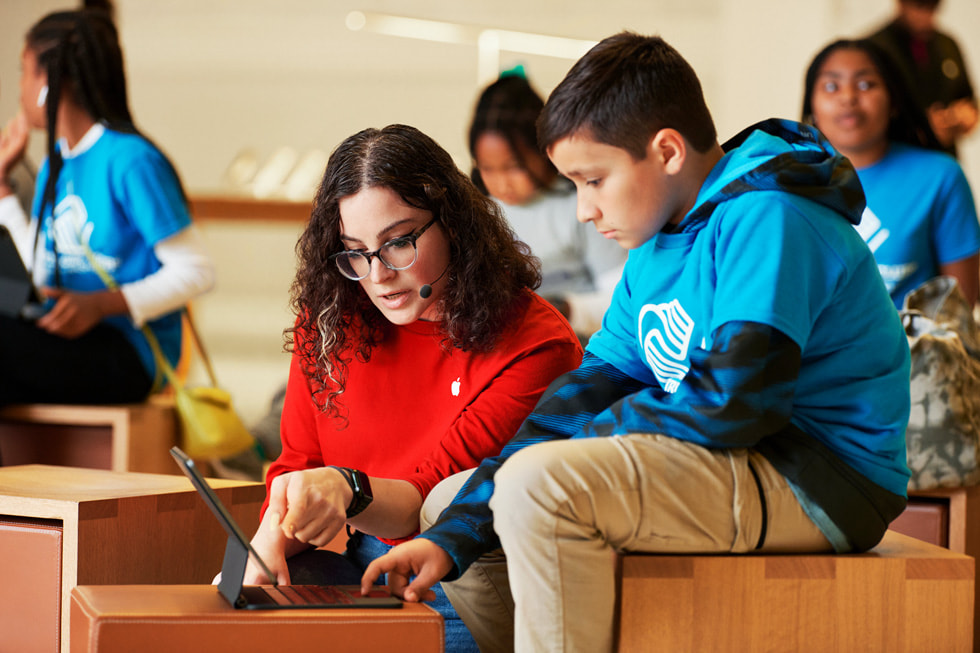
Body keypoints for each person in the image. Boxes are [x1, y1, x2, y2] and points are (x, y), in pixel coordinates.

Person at [362, 32, 912, 653]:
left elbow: (737, 403)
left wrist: (575, 446)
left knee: (539, 483)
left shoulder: (771, 217)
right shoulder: (654, 242)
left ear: (668, 151)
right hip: (737, 458)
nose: (582, 210)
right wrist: (455, 535)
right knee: (447, 503)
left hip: (819, 476)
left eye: (592, 179)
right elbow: (582, 397)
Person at [244, 124, 582, 651]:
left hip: (459, 574)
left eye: (398, 242)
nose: (378, 275)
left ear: (452, 222)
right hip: (353, 560)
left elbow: (428, 500)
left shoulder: (533, 344)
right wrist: (269, 539)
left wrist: (347, 488)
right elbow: (297, 463)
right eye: (355, 251)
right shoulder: (333, 314)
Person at [0, 7, 214, 407]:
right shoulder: (55, 162)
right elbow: (42, 271)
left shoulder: (130, 160)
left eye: (24, 71)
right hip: (67, 341)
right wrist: (3, 192)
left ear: (50, 82)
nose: (20, 89)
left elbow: (198, 273)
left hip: (129, 352)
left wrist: (100, 304)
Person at [802, 38, 980, 308]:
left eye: (865, 84)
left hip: (915, 349)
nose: (848, 97)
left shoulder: (940, 177)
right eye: (831, 86)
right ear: (811, 109)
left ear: (894, 101)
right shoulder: (789, 182)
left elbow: (961, 307)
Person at [469, 70, 626, 337]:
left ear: (543, 151)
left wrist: (566, 309)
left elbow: (621, 298)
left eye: (514, 167)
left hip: (584, 345)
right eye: (488, 169)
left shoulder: (581, 204)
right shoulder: (479, 211)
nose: (502, 183)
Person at [868, 0, 978, 156]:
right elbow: (865, 117)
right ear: (901, 4)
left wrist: (964, 117)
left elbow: (968, 100)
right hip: (896, 161)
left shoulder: (948, 45)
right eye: (920, 7)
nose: (926, 17)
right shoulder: (873, 48)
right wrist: (919, 128)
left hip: (944, 159)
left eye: (932, 8)